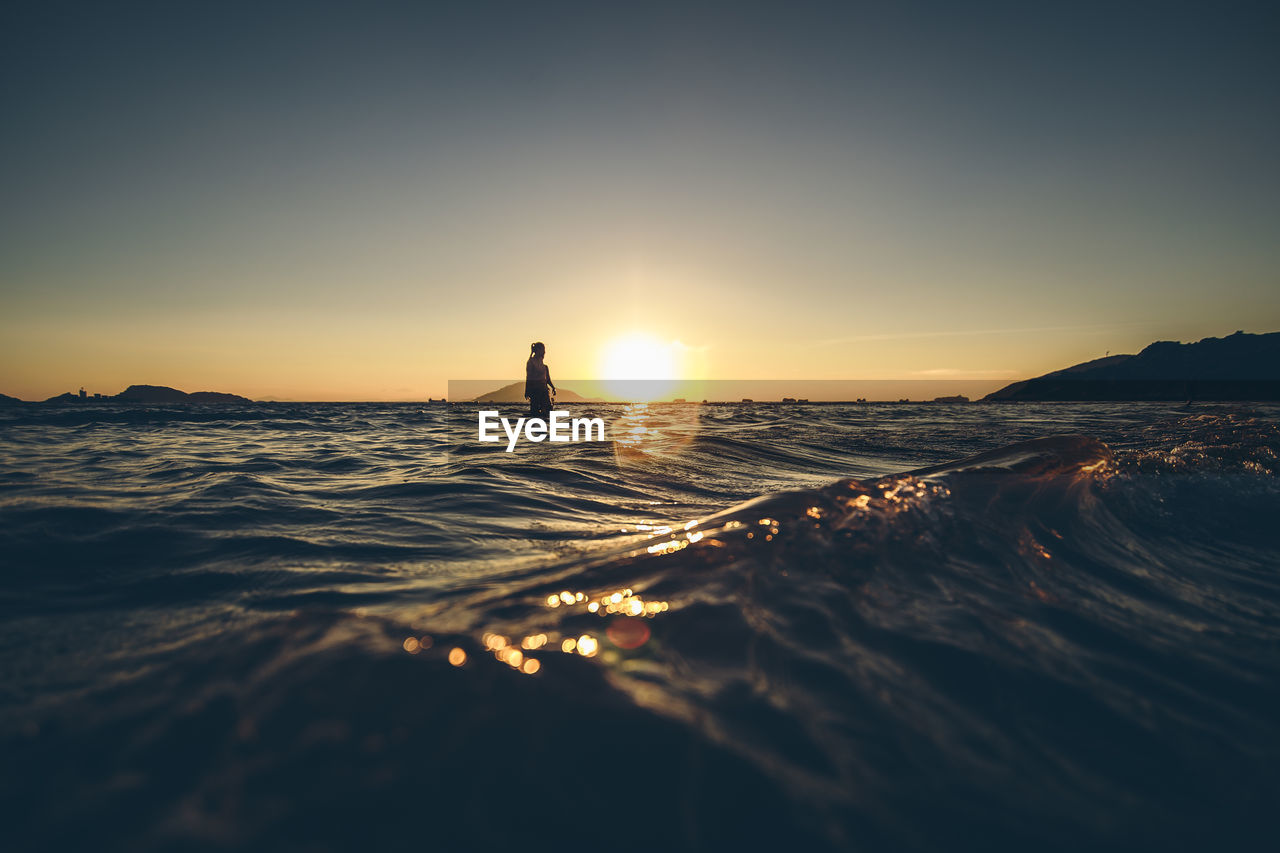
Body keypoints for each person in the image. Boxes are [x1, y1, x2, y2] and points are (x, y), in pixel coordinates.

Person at [525, 341, 555, 419]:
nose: (545, 352)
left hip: (544, 391)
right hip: (535, 391)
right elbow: (528, 377)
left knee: (547, 413)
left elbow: (548, 379)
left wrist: (553, 387)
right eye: (543, 349)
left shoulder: (545, 366)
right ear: (538, 350)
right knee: (535, 413)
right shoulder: (531, 362)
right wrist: (527, 390)